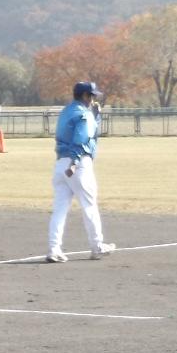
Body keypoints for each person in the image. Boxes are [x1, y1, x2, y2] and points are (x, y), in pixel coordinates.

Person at [48, 80, 114, 261]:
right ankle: (97, 246)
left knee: (59, 209)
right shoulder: (85, 115)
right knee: (89, 206)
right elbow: (81, 138)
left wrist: (95, 117)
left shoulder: (66, 111)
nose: (93, 100)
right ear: (85, 96)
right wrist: (75, 162)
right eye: (92, 96)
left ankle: (54, 249)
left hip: (60, 162)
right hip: (78, 165)